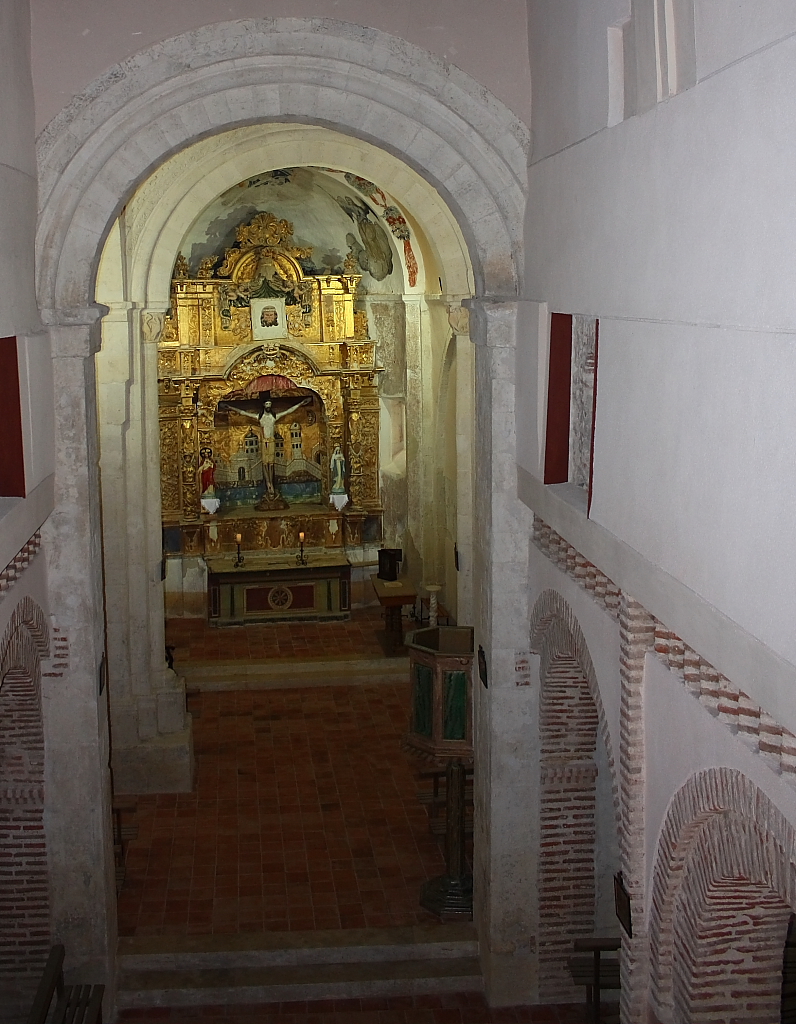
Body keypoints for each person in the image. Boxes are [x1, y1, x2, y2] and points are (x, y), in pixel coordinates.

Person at [222, 396, 310, 499]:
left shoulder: (274, 417)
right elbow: (243, 413)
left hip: (272, 441)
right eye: (267, 404)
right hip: (264, 442)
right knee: (265, 463)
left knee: (271, 463)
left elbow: (288, 411)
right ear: (264, 405)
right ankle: (268, 483)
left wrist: (300, 403)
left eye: (270, 405)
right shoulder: (260, 417)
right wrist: (231, 407)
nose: (269, 406)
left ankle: (271, 484)